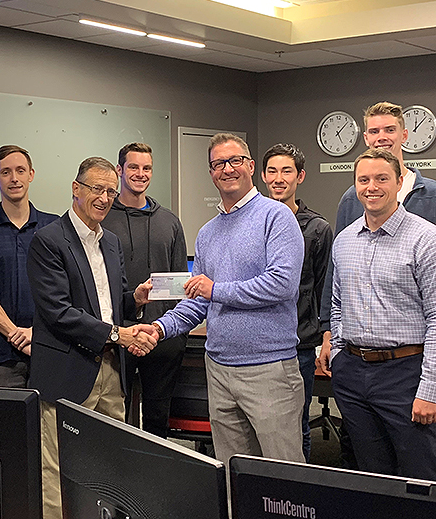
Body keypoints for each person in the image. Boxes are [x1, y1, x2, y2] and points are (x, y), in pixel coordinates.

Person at [153, 133, 306, 466]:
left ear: (250, 166)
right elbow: (198, 301)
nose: (227, 169)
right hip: (219, 370)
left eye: (235, 160)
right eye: (218, 163)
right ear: (211, 172)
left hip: (268, 370)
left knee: (283, 475)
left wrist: (216, 289)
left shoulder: (276, 217)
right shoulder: (208, 232)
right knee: (235, 472)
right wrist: (159, 329)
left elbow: (281, 284)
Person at [26, 156, 157, 519]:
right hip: (67, 371)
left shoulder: (110, 242)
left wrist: (136, 301)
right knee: (55, 467)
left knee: (109, 461)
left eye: (110, 191)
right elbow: (58, 312)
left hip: (111, 371)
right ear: (76, 189)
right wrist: (119, 334)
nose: (103, 197)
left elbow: (112, 305)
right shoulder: (48, 240)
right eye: (96, 189)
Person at [330, 148, 436, 479]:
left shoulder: (425, 238)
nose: (371, 187)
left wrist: (430, 389)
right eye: (363, 179)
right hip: (352, 371)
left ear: (399, 181)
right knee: (370, 472)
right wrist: (337, 353)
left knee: (418, 475)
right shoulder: (344, 241)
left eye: (381, 178)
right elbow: (337, 304)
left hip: (405, 373)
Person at [319, 101, 436, 375]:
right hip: (359, 347)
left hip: (415, 345)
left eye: (390, 129)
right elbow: (338, 269)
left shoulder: (431, 194)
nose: (381, 137)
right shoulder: (353, 197)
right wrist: (328, 333)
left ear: (404, 135)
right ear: (366, 138)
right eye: (374, 131)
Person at [101, 142, 188, 437]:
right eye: (133, 167)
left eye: (147, 168)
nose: (140, 173)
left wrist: (169, 331)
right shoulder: (103, 219)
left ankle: (156, 481)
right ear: (119, 170)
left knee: (157, 419)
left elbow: (180, 287)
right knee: (114, 419)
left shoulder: (170, 222)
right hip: (116, 338)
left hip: (162, 336)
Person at [261, 143, 333, 462]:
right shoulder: (252, 223)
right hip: (258, 343)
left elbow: (324, 289)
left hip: (299, 345)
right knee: (259, 425)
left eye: (287, 171)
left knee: (296, 425)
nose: (279, 178)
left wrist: (326, 340)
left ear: (300, 176)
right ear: (262, 176)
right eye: (272, 171)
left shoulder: (317, 229)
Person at [0, 145, 57, 387]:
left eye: (20, 170)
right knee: (7, 424)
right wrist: (15, 334)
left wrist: (36, 334)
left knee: (51, 423)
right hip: (0, 355)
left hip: (51, 349)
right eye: (5, 172)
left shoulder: (54, 228)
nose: (14, 178)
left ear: (31, 174)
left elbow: (64, 292)